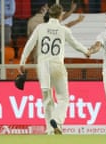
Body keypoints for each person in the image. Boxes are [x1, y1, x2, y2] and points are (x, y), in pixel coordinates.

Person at [18, 4, 90, 135]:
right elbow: (75, 44)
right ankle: (57, 121)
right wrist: (86, 51)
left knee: (47, 99)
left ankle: (50, 129)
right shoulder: (63, 30)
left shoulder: (41, 28)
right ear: (61, 15)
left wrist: (22, 61)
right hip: (57, 65)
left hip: (43, 66)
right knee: (63, 98)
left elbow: (29, 44)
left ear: (49, 14)